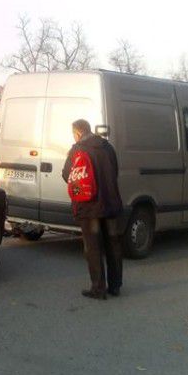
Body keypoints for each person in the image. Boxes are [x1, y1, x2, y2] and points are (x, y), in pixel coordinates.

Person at [62, 119, 123, 300]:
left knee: (93, 247)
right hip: (111, 204)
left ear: (78, 133)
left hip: (89, 207)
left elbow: (67, 175)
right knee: (113, 245)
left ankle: (98, 288)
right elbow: (115, 171)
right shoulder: (107, 147)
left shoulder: (77, 150)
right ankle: (115, 286)